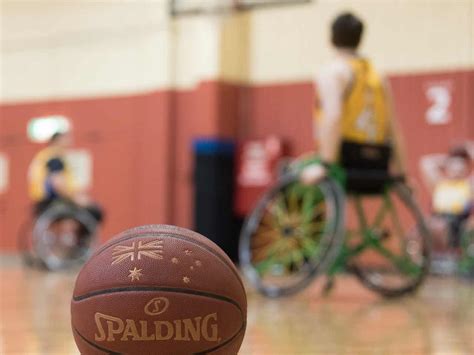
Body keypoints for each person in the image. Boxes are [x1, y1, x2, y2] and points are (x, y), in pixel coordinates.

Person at [301, 12, 406, 186]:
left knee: (293, 172)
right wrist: (402, 174)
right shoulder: (378, 76)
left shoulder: (333, 72)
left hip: (344, 159)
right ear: (360, 39)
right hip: (377, 161)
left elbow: (333, 117)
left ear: (332, 38)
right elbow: (393, 128)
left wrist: (325, 165)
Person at [28, 131, 103, 223]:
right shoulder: (54, 157)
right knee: (95, 212)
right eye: (66, 139)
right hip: (53, 200)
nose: (69, 142)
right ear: (57, 141)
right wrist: (76, 199)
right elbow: (57, 183)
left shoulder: (44, 156)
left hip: (43, 200)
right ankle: (80, 236)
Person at [420, 144, 473, 249]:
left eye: (461, 168)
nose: (457, 171)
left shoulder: (468, 185)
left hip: (459, 221)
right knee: (427, 226)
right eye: (454, 168)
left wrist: (469, 152)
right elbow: (426, 163)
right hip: (437, 219)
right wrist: (448, 160)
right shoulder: (439, 183)